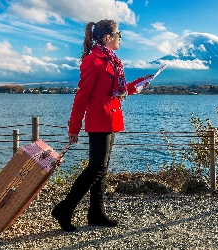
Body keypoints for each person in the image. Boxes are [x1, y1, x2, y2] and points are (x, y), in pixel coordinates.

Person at [51, 19, 152, 232]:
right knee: (96, 168)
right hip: (99, 121)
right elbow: (82, 96)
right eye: (119, 34)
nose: (120, 38)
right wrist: (74, 127)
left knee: (102, 168)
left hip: (110, 119)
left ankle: (95, 213)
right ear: (108, 37)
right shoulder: (93, 61)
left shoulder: (112, 60)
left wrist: (138, 84)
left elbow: (116, 91)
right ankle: (65, 208)